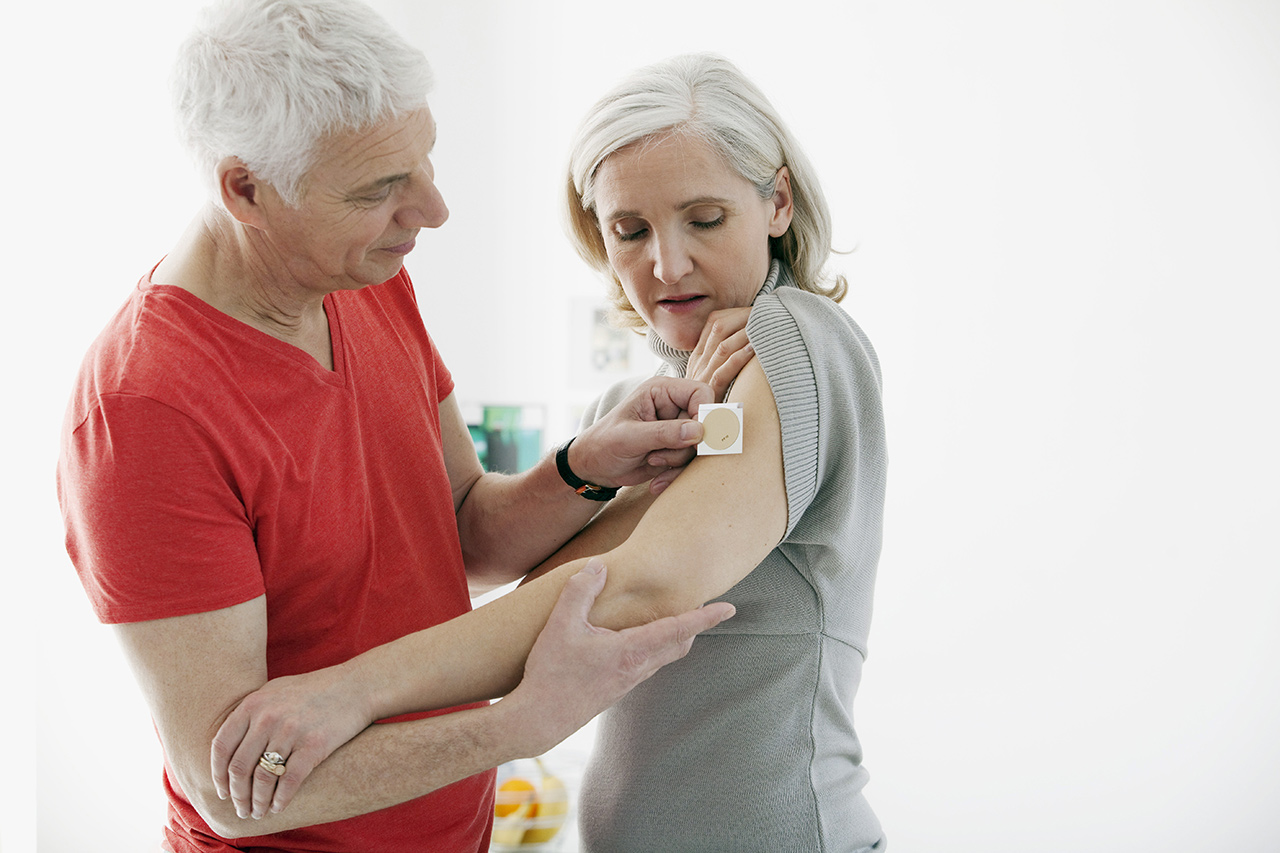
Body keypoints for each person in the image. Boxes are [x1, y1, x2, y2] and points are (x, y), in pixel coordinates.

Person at [55, 2, 739, 851]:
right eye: (380, 190)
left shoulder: (363, 276)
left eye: (422, 163)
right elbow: (226, 788)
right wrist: (519, 727)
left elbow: (462, 538)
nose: (434, 208)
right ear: (245, 189)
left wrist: (581, 467)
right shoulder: (142, 410)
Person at [209, 52, 888, 852]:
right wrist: (602, 464)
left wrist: (348, 692)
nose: (665, 265)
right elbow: (554, 615)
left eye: (704, 219)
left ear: (776, 202)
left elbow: (646, 585)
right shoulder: (632, 414)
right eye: (629, 231)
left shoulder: (798, 339)